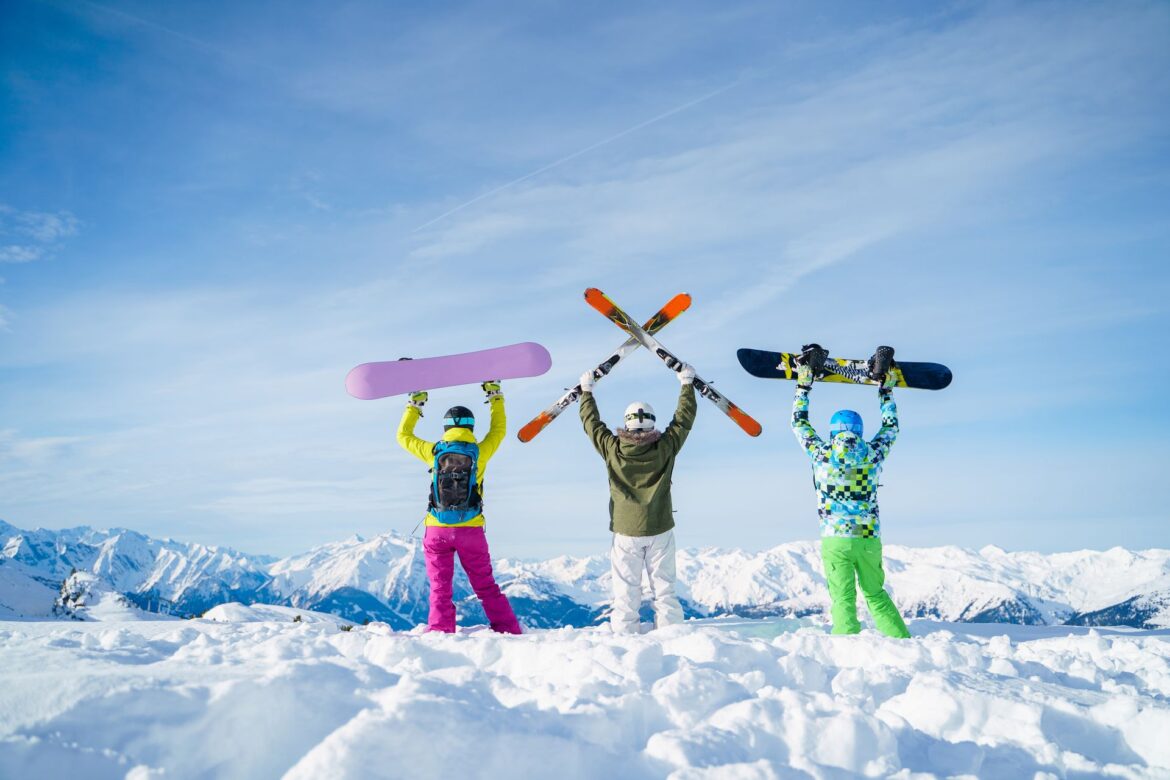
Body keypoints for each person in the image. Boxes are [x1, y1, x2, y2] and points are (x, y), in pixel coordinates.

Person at [791, 346, 911, 638]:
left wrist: (804, 386)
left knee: (842, 597)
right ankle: (902, 642)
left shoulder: (821, 453)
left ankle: (846, 643)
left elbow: (799, 423)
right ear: (859, 431)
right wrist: (886, 392)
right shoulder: (872, 454)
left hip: (835, 538)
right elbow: (891, 427)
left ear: (833, 431)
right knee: (875, 593)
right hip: (868, 537)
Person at [578, 364, 697, 634]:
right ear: (652, 421)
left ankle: (625, 636)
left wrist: (587, 392)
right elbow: (683, 421)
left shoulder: (612, 448)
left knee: (626, 591)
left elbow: (591, 424)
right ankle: (671, 634)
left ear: (627, 421)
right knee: (664, 589)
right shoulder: (665, 447)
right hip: (659, 527)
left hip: (625, 531)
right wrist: (686, 385)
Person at [396, 381, 522, 635]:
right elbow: (499, 429)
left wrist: (415, 403)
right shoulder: (480, 452)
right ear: (471, 427)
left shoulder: (433, 452)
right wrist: (495, 395)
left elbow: (403, 436)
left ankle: (440, 630)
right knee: (485, 586)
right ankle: (507, 629)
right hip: (470, 529)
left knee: (440, 587)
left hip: (437, 528)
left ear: (446, 428)